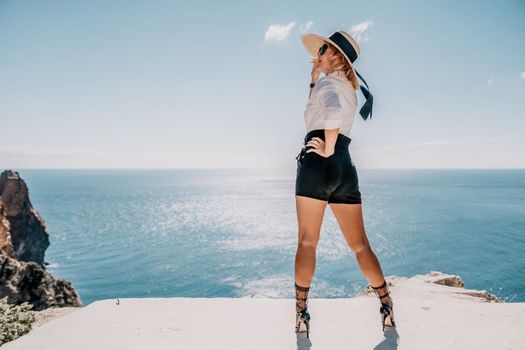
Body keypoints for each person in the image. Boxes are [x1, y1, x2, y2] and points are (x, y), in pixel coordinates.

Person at [294, 30, 396, 338]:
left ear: (336, 55)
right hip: (344, 166)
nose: (318, 53)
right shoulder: (347, 88)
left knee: (307, 242)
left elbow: (330, 113)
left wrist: (325, 147)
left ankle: (300, 314)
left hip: (318, 162)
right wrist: (314, 78)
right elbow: (324, 109)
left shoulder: (329, 84)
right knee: (360, 245)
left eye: (323, 49)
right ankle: (387, 306)